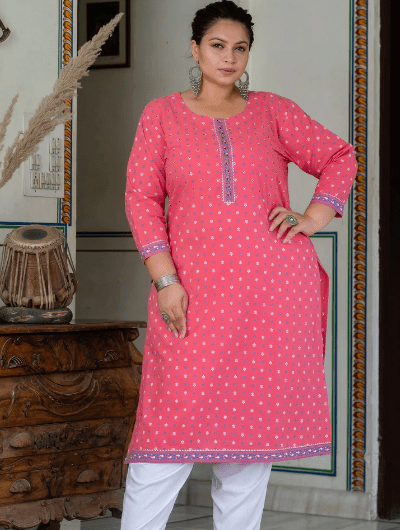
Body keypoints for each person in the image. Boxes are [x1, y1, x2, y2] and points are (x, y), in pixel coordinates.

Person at [121, 1, 358, 529]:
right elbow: (141, 199)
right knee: (164, 440)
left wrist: (313, 217)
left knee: (249, 451)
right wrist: (165, 280)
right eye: (217, 46)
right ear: (195, 49)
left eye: (240, 48)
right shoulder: (161, 115)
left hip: (270, 297)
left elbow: (339, 157)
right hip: (193, 295)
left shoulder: (272, 112)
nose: (229, 58)